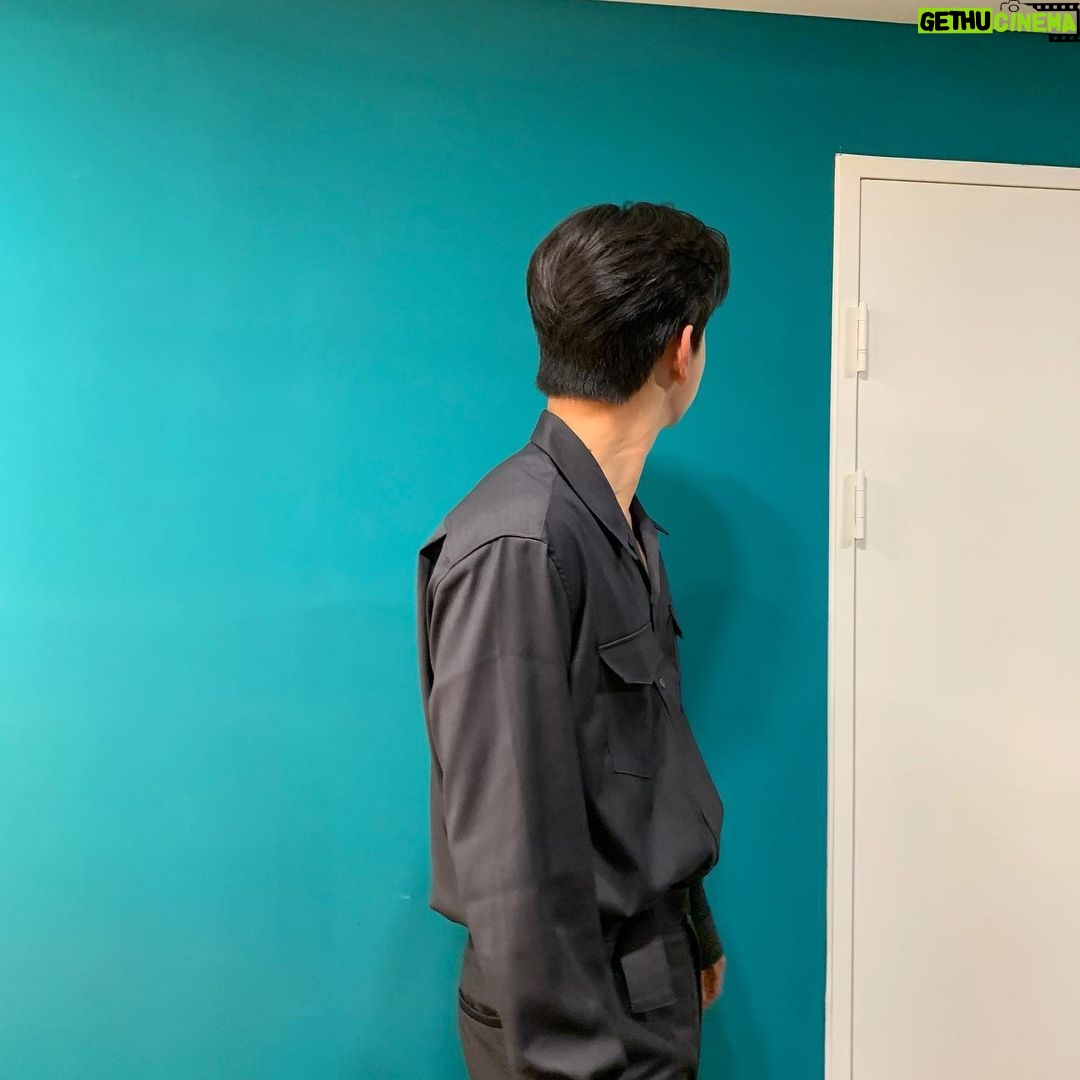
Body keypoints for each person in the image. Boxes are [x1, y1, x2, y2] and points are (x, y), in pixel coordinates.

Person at [416, 202, 730, 1079]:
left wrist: (690, 927)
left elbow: (640, 752)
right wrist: (573, 1061)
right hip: (574, 1014)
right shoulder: (521, 543)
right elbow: (510, 852)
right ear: (682, 349)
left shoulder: (620, 526)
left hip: (644, 974)